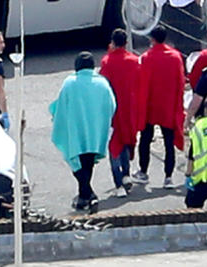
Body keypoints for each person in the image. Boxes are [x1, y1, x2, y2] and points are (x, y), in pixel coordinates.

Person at [49, 51, 117, 211]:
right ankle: (86, 195)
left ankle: (85, 195)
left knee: (76, 162)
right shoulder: (102, 83)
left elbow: (60, 105)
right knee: (88, 163)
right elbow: (112, 105)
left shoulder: (70, 83)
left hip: (75, 131)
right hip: (95, 132)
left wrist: (54, 113)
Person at [133, 26, 185, 189]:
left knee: (145, 139)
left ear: (152, 39)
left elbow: (141, 82)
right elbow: (181, 81)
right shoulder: (175, 57)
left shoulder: (147, 57)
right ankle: (168, 177)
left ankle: (143, 171)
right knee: (169, 142)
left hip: (150, 105)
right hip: (168, 105)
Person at [100, 29, 142, 198]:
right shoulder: (134, 61)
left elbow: (103, 85)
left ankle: (118, 182)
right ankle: (126, 174)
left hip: (113, 109)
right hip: (130, 108)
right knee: (127, 140)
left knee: (114, 145)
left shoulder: (107, 61)